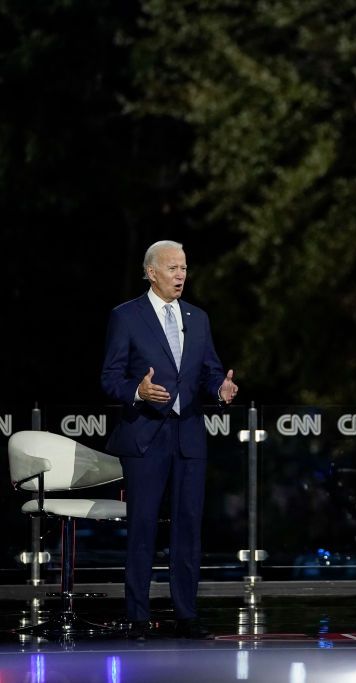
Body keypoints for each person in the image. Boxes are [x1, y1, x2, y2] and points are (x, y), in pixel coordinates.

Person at [100, 240, 238, 640]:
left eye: (184, 268)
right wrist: (138, 392)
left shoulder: (198, 317)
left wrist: (220, 391)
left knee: (189, 528)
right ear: (151, 272)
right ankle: (138, 615)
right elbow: (110, 378)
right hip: (145, 437)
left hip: (189, 437)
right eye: (173, 268)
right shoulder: (126, 317)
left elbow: (210, 372)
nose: (181, 275)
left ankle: (186, 614)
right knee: (142, 526)